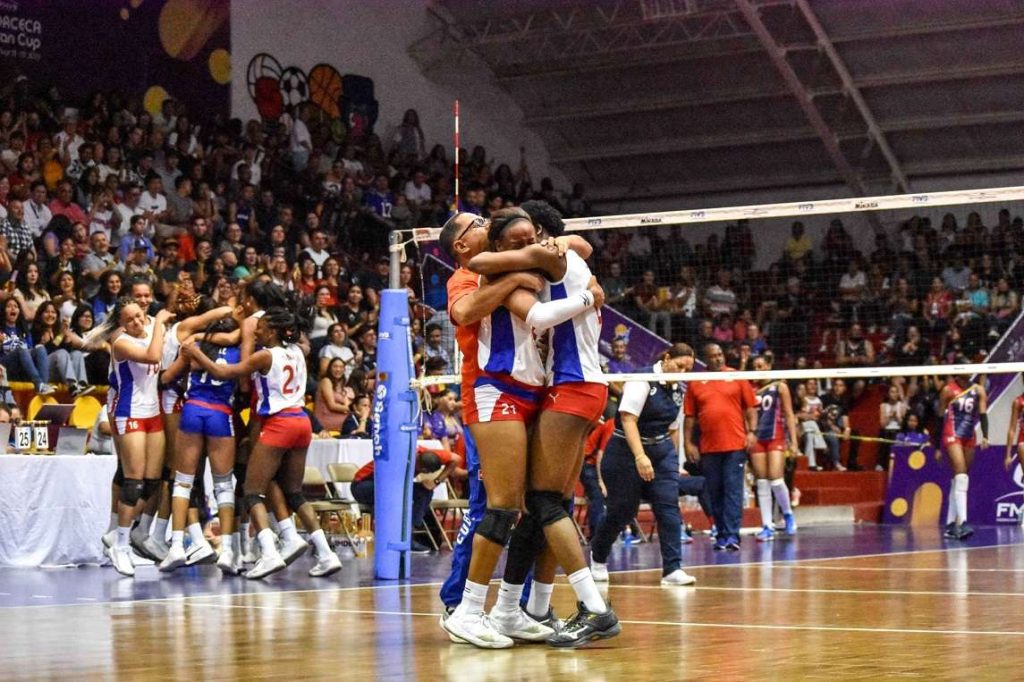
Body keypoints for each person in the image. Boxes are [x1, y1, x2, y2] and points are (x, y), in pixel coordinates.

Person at [437, 210, 605, 649]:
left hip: (534, 392)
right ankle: (467, 609)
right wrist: (515, 281)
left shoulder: (518, 261)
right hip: (494, 389)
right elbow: (468, 309)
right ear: (462, 243)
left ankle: (512, 609)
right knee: (501, 506)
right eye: (477, 222)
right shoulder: (467, 274)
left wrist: (556, 247)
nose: (486, 221)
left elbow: (580, 246)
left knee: (535, 506)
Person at [182, 307, 343, 579]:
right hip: (302, 421)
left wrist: (197, 354)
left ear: (274, 331)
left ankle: (269, 553)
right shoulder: (298, 353)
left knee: (251, 491)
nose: (256, 330)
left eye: (262, 327)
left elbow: (225, 373)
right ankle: (326, 553)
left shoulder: (265, 356)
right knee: (294, 492)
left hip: (279, 422)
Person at [590, 344, 698, 585]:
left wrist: (674, 461)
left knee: (669, 507)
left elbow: (673, 428)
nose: (682, 373)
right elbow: (628, 419)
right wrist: (640, 457)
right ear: (667, 358)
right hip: (625, 453)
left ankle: (672, 569)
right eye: (679, 366)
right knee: (622, 511)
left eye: (687, 370)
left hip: (662, 452)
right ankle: (597, 556)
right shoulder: (642, 380)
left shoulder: (678, 389)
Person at [98, 301, 175, 576]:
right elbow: (154, 356)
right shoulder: (120, 342)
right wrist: (160, 324)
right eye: (129, 319)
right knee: (133, 481)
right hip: (128, 412)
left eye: (139, 317)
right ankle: (120, 543)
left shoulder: (153, 327)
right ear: (121, 323)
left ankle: (122, 530)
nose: (136, 322)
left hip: (152, 411)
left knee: (153, 481)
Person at [683, 343, 756, 551]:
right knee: (714, 491)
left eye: (720, 354)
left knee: (733, 490)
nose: (718, 358)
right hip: (708, 448)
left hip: (735, 445)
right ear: (705, 359)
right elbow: (690, 416)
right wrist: (688, 443)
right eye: (713, 356)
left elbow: (750, 408)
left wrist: (752, 432)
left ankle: (732, 535)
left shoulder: (736, 376)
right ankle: (722, 533)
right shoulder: (695, 381)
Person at [351, 447, 460, 554]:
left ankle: (410, 533)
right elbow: (387, 481)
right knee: (392, 492)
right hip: (362, 486)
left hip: (390, 485)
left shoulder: (430, 454)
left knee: (424, 491)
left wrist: (436, 481)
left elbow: (456, 459)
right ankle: (386, 537)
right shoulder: (400, 459)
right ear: (422, 468)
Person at [750, 353, 799, 541]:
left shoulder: (780, 386)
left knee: (776, 479)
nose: (758, 370)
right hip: (757, 439)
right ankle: (767, 525)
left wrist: (793, 441)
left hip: (776, 437)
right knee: (761, 482)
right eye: (755, 366)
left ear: (769, 366)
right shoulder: (750, 387)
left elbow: (788, 414)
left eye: (761, 366)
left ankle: (787, 514)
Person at [938, 375, 988, 539]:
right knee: (961, 476)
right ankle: (964, 522)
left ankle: (951, 524)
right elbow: (939, 417)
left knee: (958, 479)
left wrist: (985, 436)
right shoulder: (948, 390)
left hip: (969, 435)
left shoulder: (978, 390)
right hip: (952, 433)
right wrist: (937, 445)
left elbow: (982, 414)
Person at [878, 382, 909, 472]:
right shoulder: (883, 406)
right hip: (886, 430)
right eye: (892, 392)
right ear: (888, 394)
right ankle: (881, 464)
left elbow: (904, 424)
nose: (894, 394)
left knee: (897, 436)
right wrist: (890, 416)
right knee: (885, 435)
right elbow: (882, 424)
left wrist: (897, 417)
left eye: (896, 392)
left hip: (898, 430)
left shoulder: (902, 406)